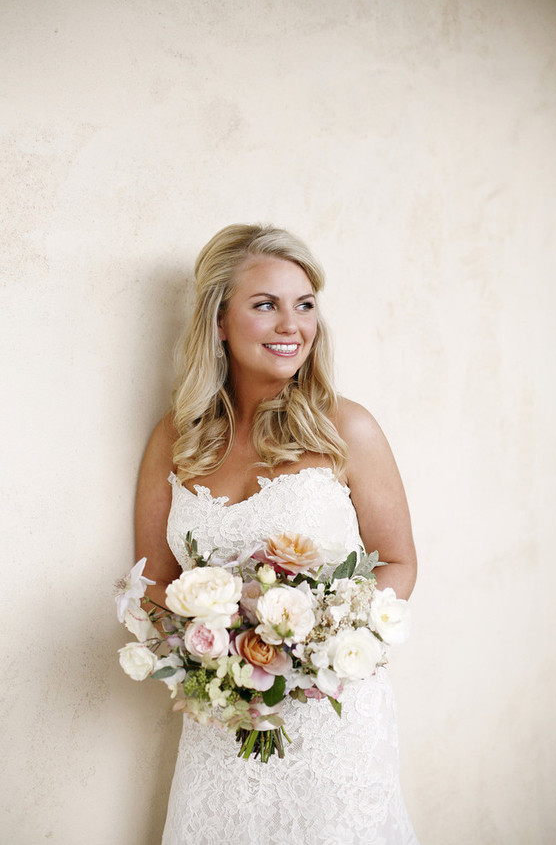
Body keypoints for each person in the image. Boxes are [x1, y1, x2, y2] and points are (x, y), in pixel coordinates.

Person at [135, 224, 419, 845]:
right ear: (219, 321)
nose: (292, 324)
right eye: (265, 304)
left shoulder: (347, 428)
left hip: (332, 721)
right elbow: (153, 578)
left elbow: (397, 561)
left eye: (304, 304)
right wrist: (210, 658)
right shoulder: (175, 439)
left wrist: (314, 650)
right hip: (223, 725)